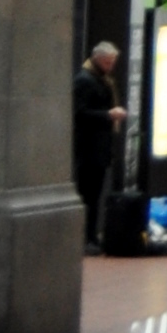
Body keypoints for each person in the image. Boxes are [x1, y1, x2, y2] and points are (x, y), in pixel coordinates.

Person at [74, 42, 125, 243]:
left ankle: (92, 236)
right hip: (89, 148)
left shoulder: (102, 79)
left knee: (95, 195)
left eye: (112, 62)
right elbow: (79, 113)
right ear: (96, 58)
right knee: (89, 195)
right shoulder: (85, 81)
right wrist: (107, 115)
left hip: (99, 147)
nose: (110, 66)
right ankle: (87, 237)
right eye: (107, 62)